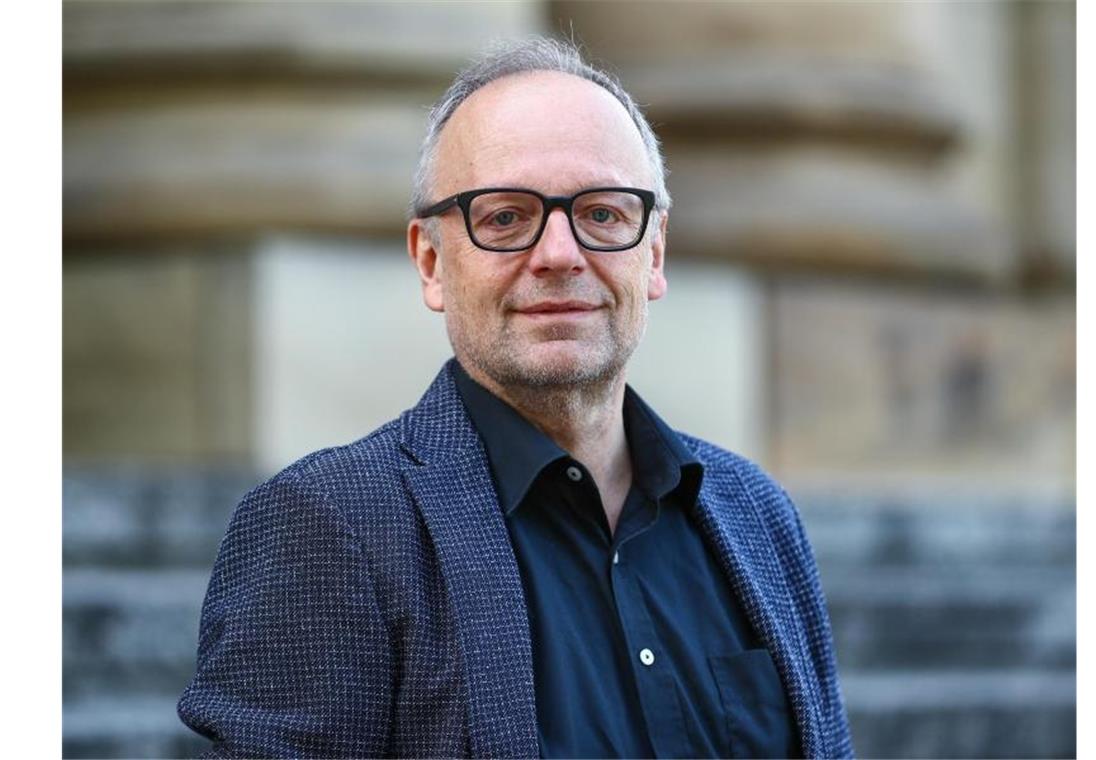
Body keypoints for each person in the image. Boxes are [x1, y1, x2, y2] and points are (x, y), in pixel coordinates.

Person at [178, 37, 852, 759]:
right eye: (504, 217)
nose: (560, 253)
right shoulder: (327, 526)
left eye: (602, 213)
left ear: (652, 255)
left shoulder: (759, 517)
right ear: (432, 262)